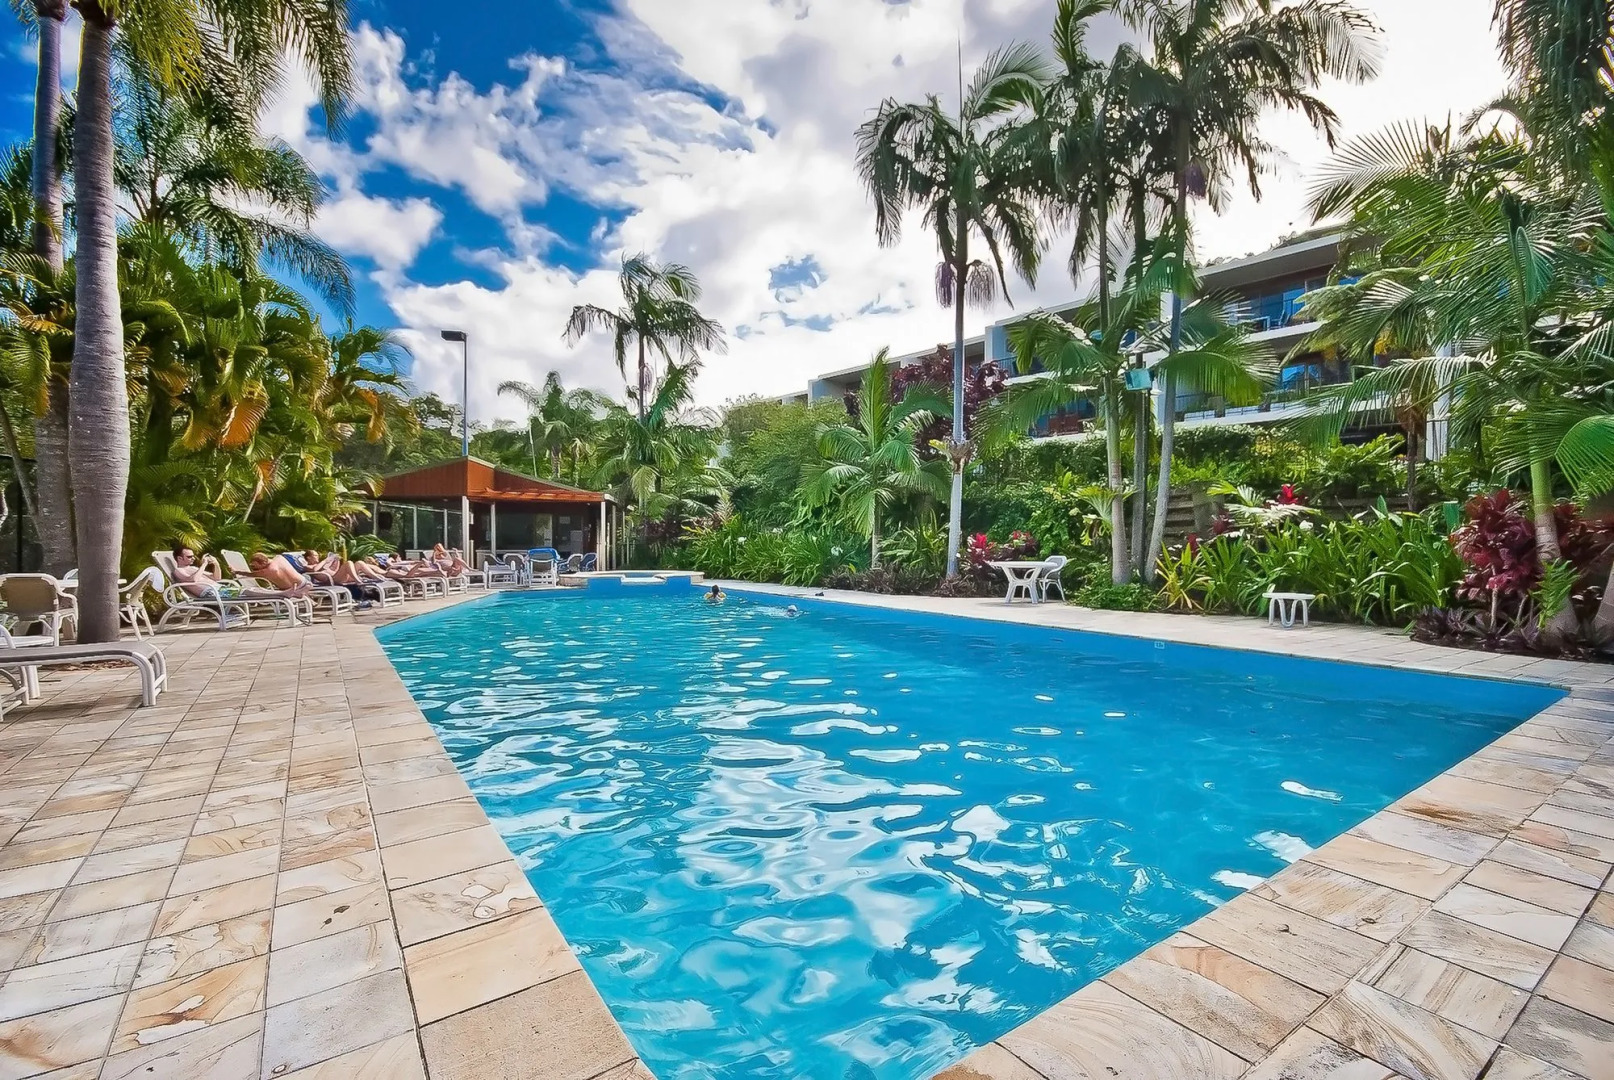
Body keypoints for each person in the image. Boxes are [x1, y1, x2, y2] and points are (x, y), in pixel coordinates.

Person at [171, 545, 310, 601]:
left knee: (252, 589)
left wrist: (216, 564)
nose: (193, 558)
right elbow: (193, 580)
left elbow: (217, 578)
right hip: (212, 593)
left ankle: (286, 593)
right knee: (248, 591)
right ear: (179, 558)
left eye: (192, 556)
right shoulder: (179, 571)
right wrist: (204, 564)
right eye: (189, 557)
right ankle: (284, 593)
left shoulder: (194, 569)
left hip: (219, 589)